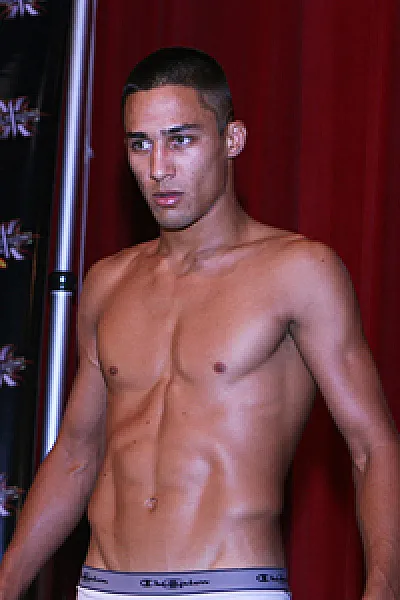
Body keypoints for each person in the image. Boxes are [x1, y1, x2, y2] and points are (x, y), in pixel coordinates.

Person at [0, 47, 399, 600]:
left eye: (181, 140)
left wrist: (383, 588)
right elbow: (75, 454)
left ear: (232, 139)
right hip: (100, 585)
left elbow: (371, 445)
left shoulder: (299, 271)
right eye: (140, 144)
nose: (158, 168)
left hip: (228, 584)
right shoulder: (108, 283)